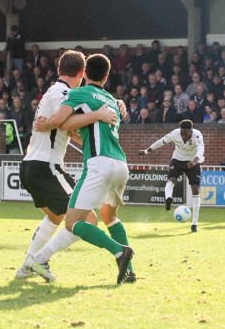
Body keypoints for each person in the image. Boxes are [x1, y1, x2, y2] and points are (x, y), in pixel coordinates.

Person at [30, 53, 134, 285]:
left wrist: (46, 123)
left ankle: (120, 252)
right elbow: (83, 131)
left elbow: (62, 122)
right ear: (107, 77)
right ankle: (130, 271)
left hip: (99, 164)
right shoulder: (112, 102)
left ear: (84, 72)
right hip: (120, 164)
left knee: (74, 222)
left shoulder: (79, 93)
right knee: (110, 217)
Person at [138, 119, 205, 232]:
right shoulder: (175, 133)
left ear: (191, 131)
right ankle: (168, 198)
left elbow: (201, 149)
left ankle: (194, 224)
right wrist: (146, 151)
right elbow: (161, 141)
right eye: (182, 133)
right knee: (171, 179)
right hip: (177, 160)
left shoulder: (197, 135)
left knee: (195, 188)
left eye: (186, 133)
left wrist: (194, 161)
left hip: (192, 162)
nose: (183, 135)